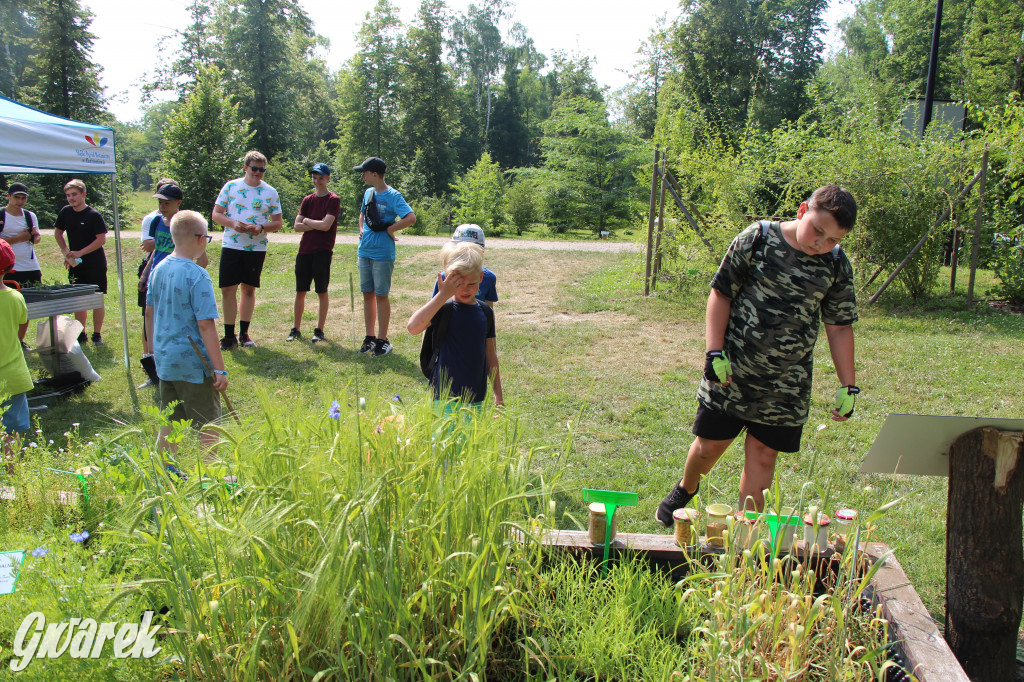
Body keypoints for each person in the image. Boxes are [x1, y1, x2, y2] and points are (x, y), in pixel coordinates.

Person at [655, 185, 860, 522]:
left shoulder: (836, 265)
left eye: (832, 240)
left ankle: (745, 533)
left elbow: (839, 326)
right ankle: (686, 488)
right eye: (817, 231)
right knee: (709, 448)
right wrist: (713, 351)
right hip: (731, 370)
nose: (820, 244)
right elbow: (721, 294)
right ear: (802, 210)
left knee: (764, 456)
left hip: (786, 382)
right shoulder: (759, 238)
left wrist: (848, 384)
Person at [145, 210, 227, 454]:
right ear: (200, 239)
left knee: (171, 420)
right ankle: (213, 476)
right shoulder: (197, 275)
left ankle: (165, 468)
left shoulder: (158, 268)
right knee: (210, 423)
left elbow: (149, 313)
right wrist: (219, 368)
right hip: (194, 363)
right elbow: (206, 325)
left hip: (165, 359)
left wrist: (151, 352)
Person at [407, 241, 503, 410]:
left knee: (471, 437)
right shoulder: (443, 308)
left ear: (481, 277)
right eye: (458, 285)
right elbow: (413, 327)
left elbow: (491, 355)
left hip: (475, 397)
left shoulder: (486, 312)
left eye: (471, 284)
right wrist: (442, 295)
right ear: (447, 279)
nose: (465, 289)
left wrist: (498, 395)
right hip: (442, 396)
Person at [211, 150, 283, 349]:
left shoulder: (270, 192)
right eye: (254, 168)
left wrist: (260, 227)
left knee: (248, 289)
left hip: (256, 248)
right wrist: (234, 224)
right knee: (228, 289)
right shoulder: (231, 186)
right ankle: (228, 336)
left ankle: (244, 334)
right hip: (232, 244)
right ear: (245, 168)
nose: (258, 173)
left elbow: (277, 222)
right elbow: (216, 214)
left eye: (262, 170)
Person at [355, 156, 416, 357]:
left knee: (381, 295)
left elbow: (411, 217)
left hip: (383, 253)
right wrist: (362, 229)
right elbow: (363, 214)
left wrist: (391, 228)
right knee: (367, 294)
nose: (362, 175)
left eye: (364, 172)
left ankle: (383, 340)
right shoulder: (368, 192)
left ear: (375, 174)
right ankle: (370, 338)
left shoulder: (393, 195)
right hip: (365, 251)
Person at [137, 183, 184, 388]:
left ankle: (173, 368)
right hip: (155, 276)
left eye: (167, 203)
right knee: (149, 318)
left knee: (170, 321)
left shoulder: (182, 223)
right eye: (160, 202)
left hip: (173, 277)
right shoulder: (157, 221)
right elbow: (156, 250)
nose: (163, 206)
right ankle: (152, 369)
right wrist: (146, 273)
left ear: (178, 203)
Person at [288, 163, 340, 344]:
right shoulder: (307, 200)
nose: (317, 181)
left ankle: (319, 329)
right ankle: (295, 328)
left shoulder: (333, 199)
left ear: (328, 178)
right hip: (305, 251)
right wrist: (316, 223)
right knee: (300, 290)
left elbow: (326, 226)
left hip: (323, 251)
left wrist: (308, 222)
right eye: (314, 177)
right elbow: (296, 226)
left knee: (321, 290)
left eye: (320, 178)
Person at [53, 179, 107, 345]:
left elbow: (101, 239)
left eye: (74, 194)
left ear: (83, 194)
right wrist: (66, 254)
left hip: (95, 263)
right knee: (78, 298)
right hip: (76, 264)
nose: (71, 198)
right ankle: (81, 333)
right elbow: (58, 233)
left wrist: (80, 253)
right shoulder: (65, 212)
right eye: (68, 195)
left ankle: (97, 334)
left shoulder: (93, 215)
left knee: (97, 298)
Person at [0, 240, 33, 467]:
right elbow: (21, 329)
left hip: (11, 378)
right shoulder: (15, 297)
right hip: (13, 377)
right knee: (10, 432)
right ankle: (12, 480)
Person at [430, 224, 498, 308]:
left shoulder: (489, 278)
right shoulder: (444, 278)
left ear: (482, 251)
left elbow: (489, 307)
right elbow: (433, 310)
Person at [0, 183, 42, 286]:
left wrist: (35, 237)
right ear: (8, 196)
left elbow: (36, 239)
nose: (20, 201)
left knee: (36, 300)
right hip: (7, 268)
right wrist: (19, 238)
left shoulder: (30, 216)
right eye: (16, 197)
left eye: (23, 198)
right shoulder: (1, 214)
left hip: (31, 267)